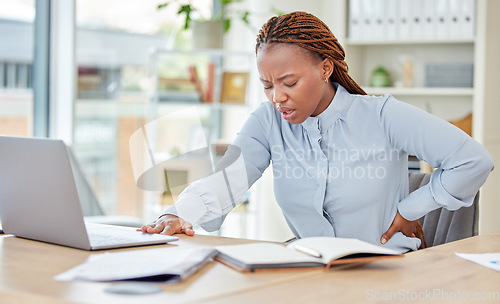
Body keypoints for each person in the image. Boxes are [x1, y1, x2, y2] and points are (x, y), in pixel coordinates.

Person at [139, 11, 493, 252]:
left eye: (289, 82)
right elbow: (226, 179)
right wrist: (178, 212)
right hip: (309, 266)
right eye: (267, 85)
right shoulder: (267, 122)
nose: (278, 97)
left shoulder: (382, 115)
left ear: (325, 68)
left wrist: (412, 208)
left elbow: (473, 160)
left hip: (386, 271)